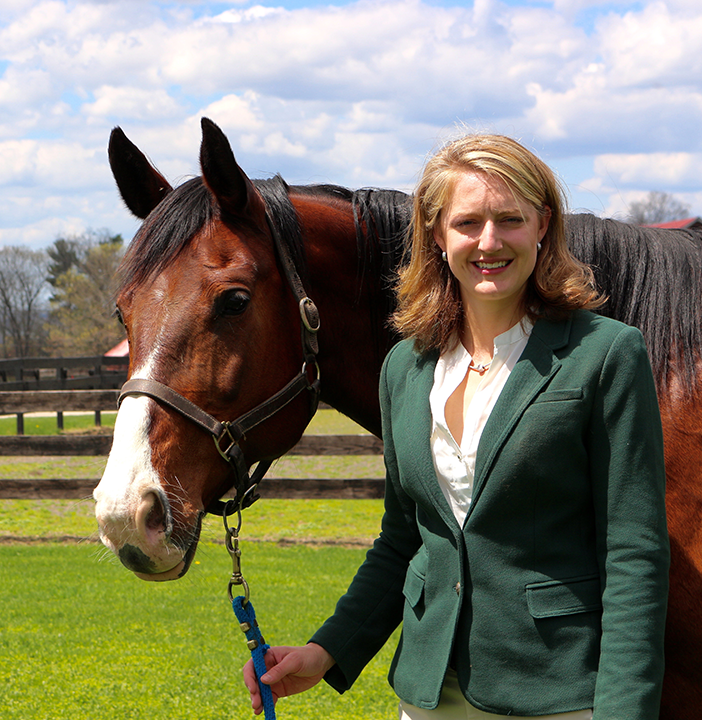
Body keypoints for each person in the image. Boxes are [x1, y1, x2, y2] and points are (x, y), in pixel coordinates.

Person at [243, 134, 670, 719]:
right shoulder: (404, 368)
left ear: (542, 225)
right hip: (428, 695)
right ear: (437, 234)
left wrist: (624, 712)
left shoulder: (607, 355)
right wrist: (326, 651)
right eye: (468, 222)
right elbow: (404, 540)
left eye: (510, 219)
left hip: (557, 694)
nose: (488, 241)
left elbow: (634, 556)